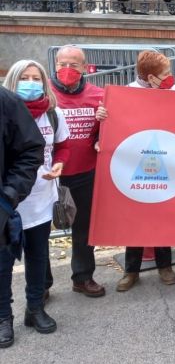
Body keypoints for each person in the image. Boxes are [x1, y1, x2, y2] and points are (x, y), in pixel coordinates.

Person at [0, 61, 70, 340]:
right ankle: (4, 317)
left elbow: (62, 146)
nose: (31, 83)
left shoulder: (53, 114)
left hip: (41, 197)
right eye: (25, 78)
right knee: (3, 263)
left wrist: (60, 164)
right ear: (13, 82)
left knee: (38, 257)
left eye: (36, 77)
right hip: (8, 203)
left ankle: (35, 308)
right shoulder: (6, 109)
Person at [114, 51, 175, 291]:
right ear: (151, 77)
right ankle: (131, 271)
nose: (170, 77)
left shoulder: (174, 94)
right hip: (135, 162)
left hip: (166, 160)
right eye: (166, 74)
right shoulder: (126, 93)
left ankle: (165, 266)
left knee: (162, 214)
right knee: (136, 216)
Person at [50, 45, 106, 298]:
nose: (68, 69)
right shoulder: (43, 93)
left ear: (85, 68)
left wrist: (102, 133)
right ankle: (40, 286)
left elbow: (107, 132)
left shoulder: (100, 95)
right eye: (63, 64)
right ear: (55, 65)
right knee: (40, 230)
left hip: (85, 172)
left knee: (83, 227)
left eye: (74, 64)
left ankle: (83, 277)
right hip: (48, 175)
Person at [0, 86, 45, 348]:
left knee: (9, 260)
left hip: (10, 202)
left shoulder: (5, 101)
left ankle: (19, 312)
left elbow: (31, 149)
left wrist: (7, 196)